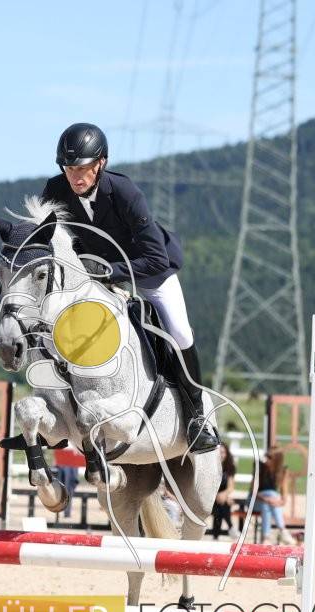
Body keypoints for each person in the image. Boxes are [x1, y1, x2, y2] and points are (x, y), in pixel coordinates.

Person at [42, 122, 220, 454]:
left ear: (101, 163)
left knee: (180, 332)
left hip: (148, 273)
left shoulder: (125, 193)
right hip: (95, 278)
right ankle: (59, 410)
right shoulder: (55, 190)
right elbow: (52, 241)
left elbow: (156, 258)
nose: (74, 176)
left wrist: (113, 271)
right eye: (68, 168)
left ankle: (197, 418)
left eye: (82, 168)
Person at [255, 448, 294, 545]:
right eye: (266, 456)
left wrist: (276, 501)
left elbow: (284, 498)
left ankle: (266, 538)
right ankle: (282, 530)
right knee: (270, 497)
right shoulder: (261, 468)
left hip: (270, 503)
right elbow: (254, 492)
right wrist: (267, 499)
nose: (266, 459)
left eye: (269, 457)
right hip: (256, 501)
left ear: (277, 460)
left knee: (267, 504)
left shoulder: (283, 471)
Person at [209, 444, 237, 540]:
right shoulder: (210, 467)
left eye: (223, 452)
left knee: (221, 505)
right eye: (219, 452)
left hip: (221, 498)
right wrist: (218, 496)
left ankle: (215, 537)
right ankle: (230, 527)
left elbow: (230, 487)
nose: (221, 455)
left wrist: (224, 495)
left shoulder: (230, 468)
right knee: (223, 504)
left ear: (227, 454)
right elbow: (208, 486)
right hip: (210, 497)